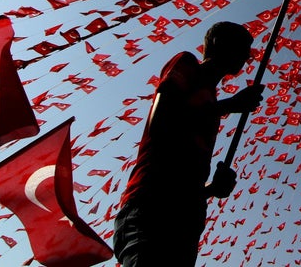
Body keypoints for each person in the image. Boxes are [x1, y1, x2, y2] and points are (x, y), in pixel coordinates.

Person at [113, 21, 264, 267]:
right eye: (242, 47)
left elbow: (183, 175)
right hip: (153, 206)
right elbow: (162, 118)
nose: (248, 56)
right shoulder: (187, 64)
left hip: (185, 216)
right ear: (217, 43)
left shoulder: (211, 103)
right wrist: (229, 106)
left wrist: (211, 189)